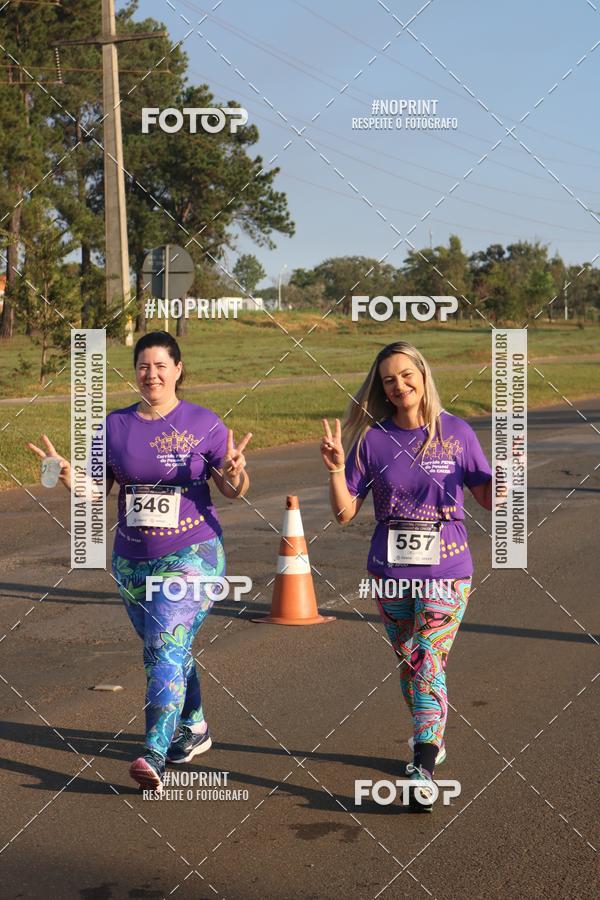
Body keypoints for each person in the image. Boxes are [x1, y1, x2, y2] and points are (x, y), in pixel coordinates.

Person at [27, 330, 252, 794]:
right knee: (166, 645)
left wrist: (236, 473)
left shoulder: (205, 423)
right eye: (143, 366)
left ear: (178, 369)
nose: (152, 374)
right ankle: (194, 724)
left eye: (161, 365)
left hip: (193, 554)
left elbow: (231, 490)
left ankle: (154, 753)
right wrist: (68, 475)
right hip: (132, 562)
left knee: (164, 646)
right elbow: (95, 491)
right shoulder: (113, 427)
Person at [320, 340, 493, 812]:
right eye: (389, 380)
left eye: (406, 375)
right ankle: (431, 734)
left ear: (423, 373)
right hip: (390, 571)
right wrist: (336, 470)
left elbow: (487, 498)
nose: (399, 385)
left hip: (447, 569)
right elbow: (344, 513)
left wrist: (504, 480)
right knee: (409, 661)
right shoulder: (373, 440)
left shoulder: (455, 432)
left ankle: (423, 764)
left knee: (426, 656)